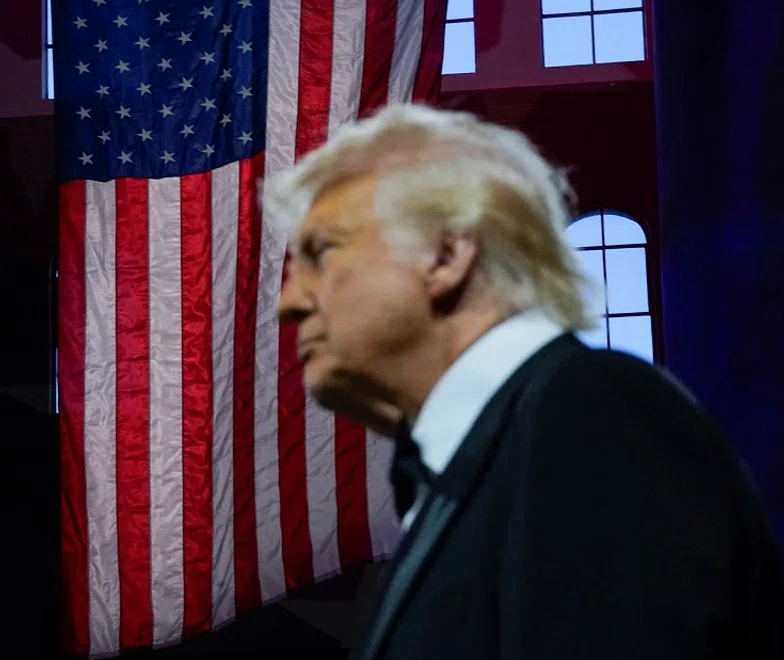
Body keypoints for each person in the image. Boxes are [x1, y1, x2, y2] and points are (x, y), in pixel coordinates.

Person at [266, 104, 784, 660]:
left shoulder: (592, 418)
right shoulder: (485, 461)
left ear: (446, 255)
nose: (289, 302)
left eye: (323, 253)